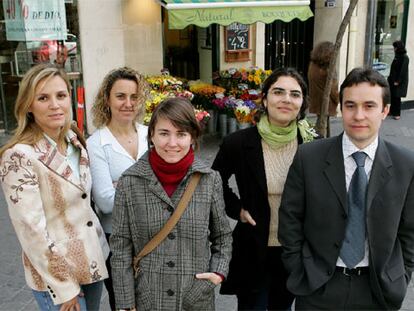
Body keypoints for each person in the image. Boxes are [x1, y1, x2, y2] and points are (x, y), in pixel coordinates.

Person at [278, 67, 414, 310]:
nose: (358, 115)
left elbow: (409, 230)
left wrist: (401, 276)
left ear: (384, 110)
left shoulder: (406, 164)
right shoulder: (309, 157)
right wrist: (300, 269)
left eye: (369, 106)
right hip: (318, 287)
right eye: (350, 105)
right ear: (341, 107)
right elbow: (290, 219)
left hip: (377, 291)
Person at [0, 63, 109, 310]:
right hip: (58, 276)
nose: (55, 105)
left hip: (92, 261)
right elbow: (31, 230)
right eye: (43, 98)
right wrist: (64, 287)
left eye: (60, 95)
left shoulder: (73, 138)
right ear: (28, 105)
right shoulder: (19, 156)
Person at [110, 97, 232, 311]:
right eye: (164, 133)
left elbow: (222, 236)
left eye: (181, 134)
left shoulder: (209, 180)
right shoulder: (130, 182)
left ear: (192, 137)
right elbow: (120, 247)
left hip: (195, 298)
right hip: (147, 299)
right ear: (152, 136)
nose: (172, 143)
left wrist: (217, 273)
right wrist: (125, 304)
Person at [212, 67, 317, 310]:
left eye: (295, 94)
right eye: (278, 92)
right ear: (265, 98)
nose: (286, 99)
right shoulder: (238, 143)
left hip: (294, 251)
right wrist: (236, 209)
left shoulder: (313, 143)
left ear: (302, 103)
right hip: (254, 247)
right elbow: (213, 182)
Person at [87, 67, 149, 310]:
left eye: (134, 97)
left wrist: (122, 185)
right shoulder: (96, 143)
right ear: (107, 99)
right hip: (118, 240)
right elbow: (104, 201)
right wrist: (148, 183)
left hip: (154, 235)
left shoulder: (151, 134)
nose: (128, 103)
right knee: (124, 304)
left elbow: (171, 185)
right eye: (120, 96)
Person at [308, 41, 339, 136]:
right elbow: (333, 89)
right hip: (326, 102)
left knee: (322, 125)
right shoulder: (327, 69)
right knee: (322, 127)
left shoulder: (313, 65)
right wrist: (338, 99)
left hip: (316, 100)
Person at [388, 40, 409, 120]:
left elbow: (402, 71)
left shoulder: (404, 57)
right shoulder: (397, 56)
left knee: (397, 97)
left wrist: (398, 81)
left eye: (395, 47)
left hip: (398, 82)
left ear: (398, 48)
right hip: (392, 80)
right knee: (393, 96)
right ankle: (392, 111)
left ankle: (397, 114)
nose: (394, 49)